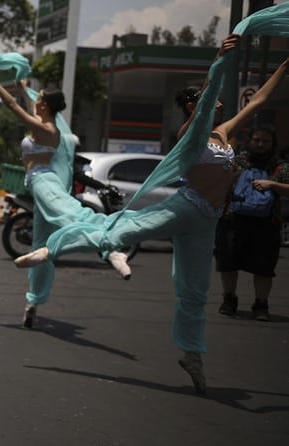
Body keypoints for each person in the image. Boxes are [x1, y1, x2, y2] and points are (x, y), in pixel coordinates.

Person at [15, 35, 287, 394]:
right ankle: (50, 249)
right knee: (119, 232)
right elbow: (205, 106)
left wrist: (284, 66)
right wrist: (218, 64)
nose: (218, 104)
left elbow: (261, 101)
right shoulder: (191, 132)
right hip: (184, 207)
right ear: (193, 106)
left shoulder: (225, 132)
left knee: (195, 291)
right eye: (208, 100)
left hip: (208, 219)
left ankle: (192, 355)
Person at [0, 61, 122, 329]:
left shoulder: (46, 129)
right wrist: (24, 87)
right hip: (36, 183)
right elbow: (26, 98)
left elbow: (12, 105)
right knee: (40, 246)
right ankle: (33, 301)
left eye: (39, 98)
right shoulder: (46, 122)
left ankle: (109, 246)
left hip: (44, 182)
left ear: (44, 105)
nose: (36, 99)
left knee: (68, 213)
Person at [215, 119, 289, 320]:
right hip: (232, 221)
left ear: (272, 144)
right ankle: (229, 299)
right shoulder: (237, 162)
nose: (260, 144)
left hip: (266, 225)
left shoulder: (280, 167)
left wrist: (272, 185)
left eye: (265, 141)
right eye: (256, 140)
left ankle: (261, 305)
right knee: (228, 263)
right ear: (249, 141)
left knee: (264, 269)